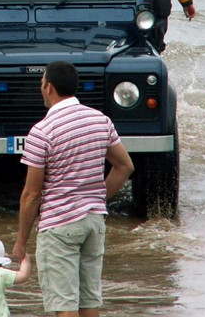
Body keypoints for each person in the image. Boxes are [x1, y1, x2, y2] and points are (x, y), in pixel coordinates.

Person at [13, 61, 134, 317]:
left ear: (50, 88)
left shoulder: (42, 131)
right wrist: (98, 197)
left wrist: (21, 241)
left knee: (64, 305)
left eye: (42, 84)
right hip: (94, 222)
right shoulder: (100, 120)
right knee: (90, 300)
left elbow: (31, 194)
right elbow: (124, 166)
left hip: (59, 227)